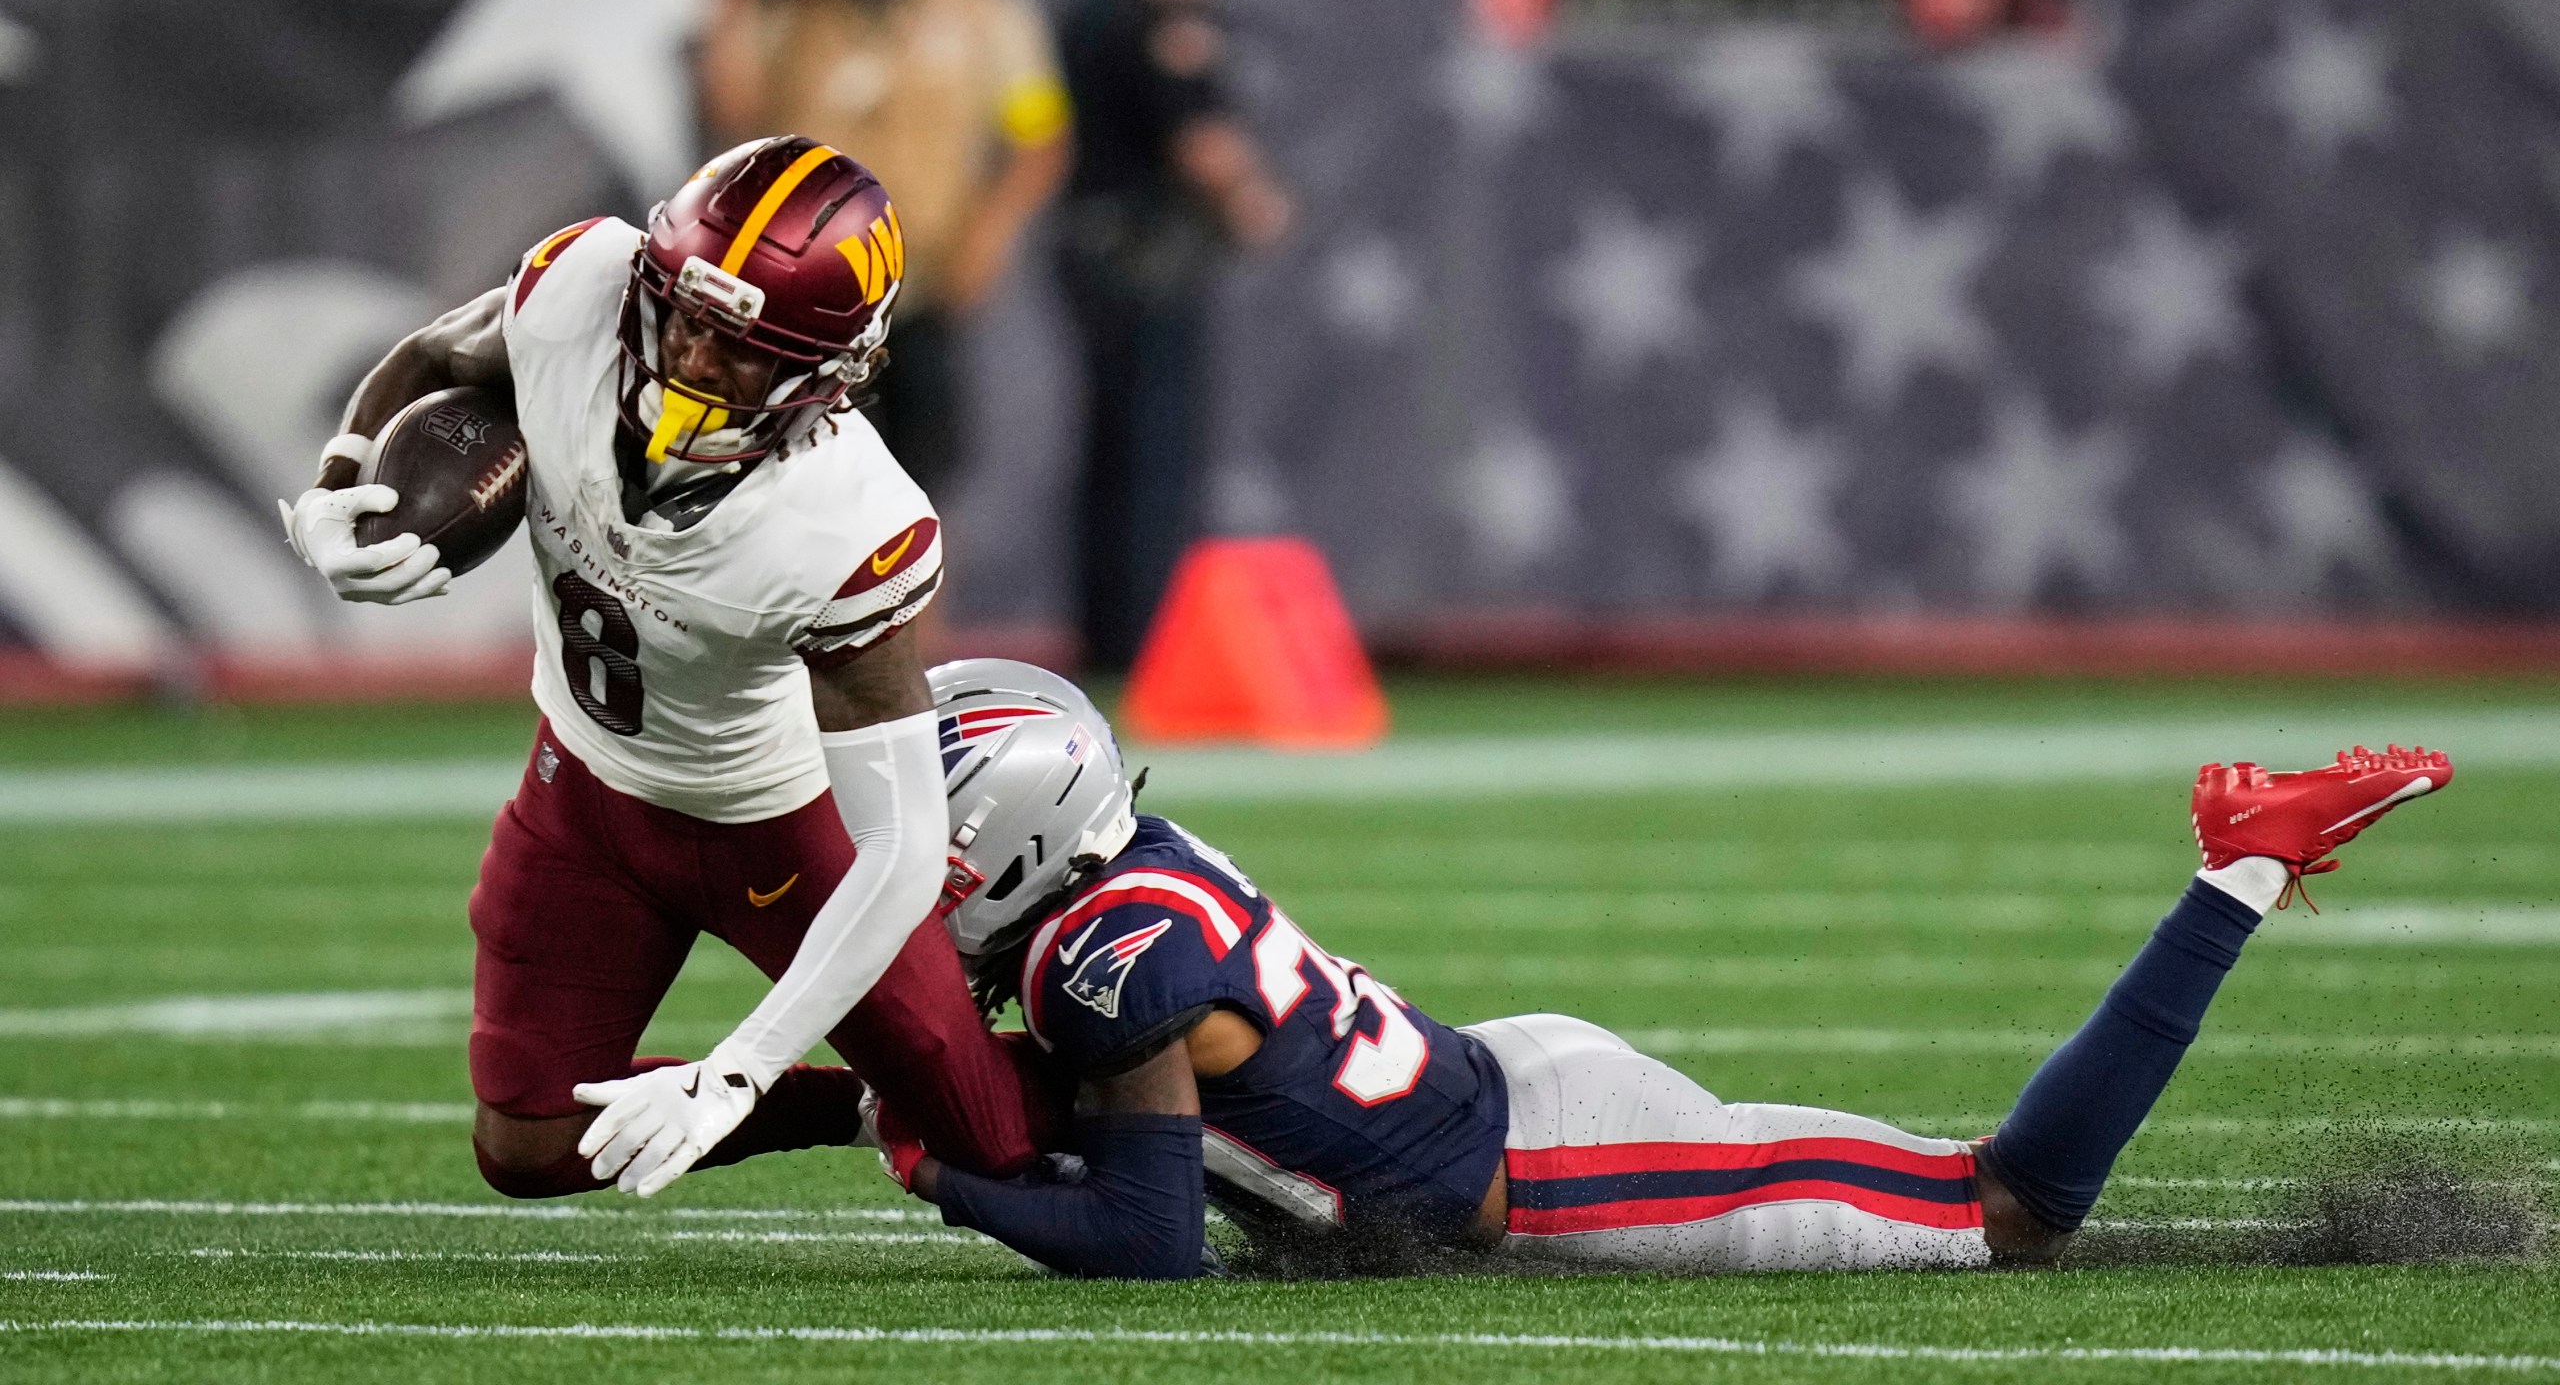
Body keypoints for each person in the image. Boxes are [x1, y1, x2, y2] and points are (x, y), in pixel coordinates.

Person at [875, 659, 2459, 1277]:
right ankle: (2241, 861)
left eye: (934, 834)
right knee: (1981, 1196)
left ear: (1014, 837)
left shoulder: (1103, 956)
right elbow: (1089, 1114)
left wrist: (933, 1167)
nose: (909, 862)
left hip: (1557, 1163)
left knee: (2011, 1213)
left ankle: (2238, 866)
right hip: (1506, 1098)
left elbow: (1149, 1239)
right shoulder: (1117, 899)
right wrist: (791, 1107)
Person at [277, 137, 1055, 1200]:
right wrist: (336, 484)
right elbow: (432, 358)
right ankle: (863, 1110)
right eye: (687, 313)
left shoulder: (848, 524)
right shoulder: (579, 291)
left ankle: (1180, 1078)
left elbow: (903, 843)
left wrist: (735, 1071)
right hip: (587, 796)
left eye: (744, 347)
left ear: (831, 371)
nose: (693, 359)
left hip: (779, 826)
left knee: (996, 1145)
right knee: (532, 1148)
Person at [699, 0, 1073, 500]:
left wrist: (991, 235)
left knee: (918, 486)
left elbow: (1040, 139)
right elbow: (734, 111)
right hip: (801, 296)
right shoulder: (798, 5)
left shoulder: (986, 12)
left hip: (921, 288)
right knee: (790, 480)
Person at [1053, 0, 1293, 667]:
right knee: (1153, 458)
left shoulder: (1079, 12)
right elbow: (1202, 145)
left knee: (1111, 454)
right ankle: (1147, 639)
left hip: (1088, 247)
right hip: (1144, 259)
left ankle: (1109, 634)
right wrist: (1255, 200)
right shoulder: (1152, 24)